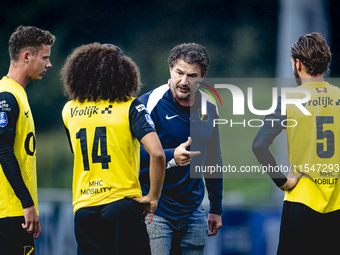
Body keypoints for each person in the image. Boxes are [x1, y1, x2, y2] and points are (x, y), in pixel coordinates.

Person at [61, 43, 165, 255]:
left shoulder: (69, 110)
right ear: (123, 72)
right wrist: (153, 197)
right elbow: (157, 153)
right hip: (121, 207)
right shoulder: (131, 106)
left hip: (84, 209)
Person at [252, 33, 340, 255]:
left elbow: (259, 145)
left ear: (297, 63)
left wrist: (283, 182)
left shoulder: (291, 100)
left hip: (301, 203)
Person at [139, 43, 223, 255]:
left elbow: (213, 159)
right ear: (170, 70)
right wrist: (171, 156)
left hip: (193, 211)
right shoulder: (149, 103)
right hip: (155, 209)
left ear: (203, 75)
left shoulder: (209, 107)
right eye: (179, 73)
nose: (184, 81)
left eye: (192, 75)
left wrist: (216, 209)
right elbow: (132, 155)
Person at [0, 25, 55, 255]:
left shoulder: (18, 93)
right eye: (45, 57)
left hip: (16, 211)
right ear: (26, 56)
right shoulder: (7, 95)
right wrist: (27, 204)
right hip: (9, 211)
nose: (49, 64)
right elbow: (3, 150)